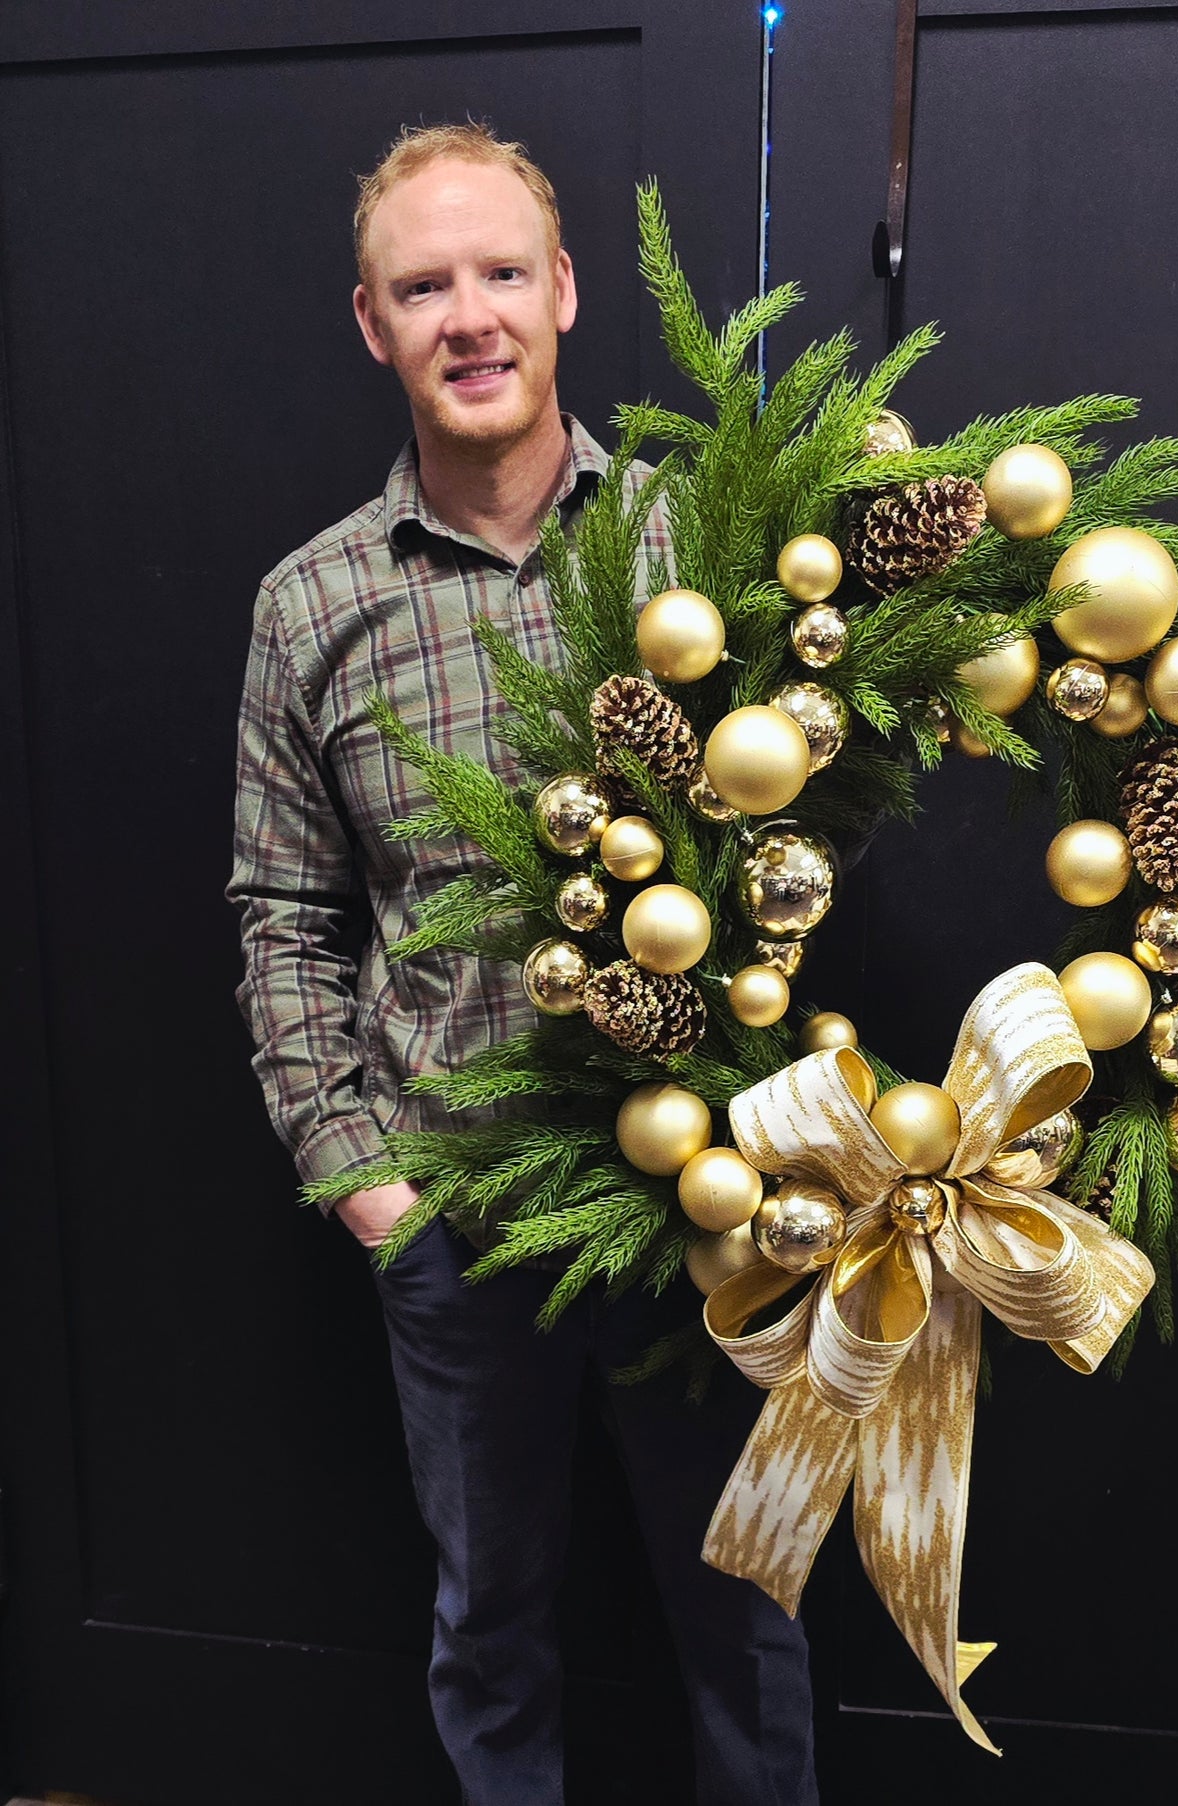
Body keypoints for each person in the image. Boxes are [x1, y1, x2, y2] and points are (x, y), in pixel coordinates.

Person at [227, 123, 818, 1805]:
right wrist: (364, 1186)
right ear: (372, 323)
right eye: (425, 286)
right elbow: (280, 918)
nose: (467, 315)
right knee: (490, 1620)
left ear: (561, 292)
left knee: (745, 1606)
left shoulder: (695, 547)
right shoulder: (310, 605)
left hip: (694, 1200)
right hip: (457, 1223)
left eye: (500, 273)